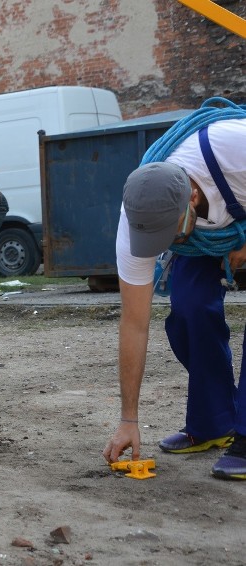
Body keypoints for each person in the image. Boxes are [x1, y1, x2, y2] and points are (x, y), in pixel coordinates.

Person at [102, 117, 246, 480]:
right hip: (206, 230)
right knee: (189, 309)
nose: (160, 246)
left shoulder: (236, 148)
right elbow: (134, 323)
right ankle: (214, 422)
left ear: (192, 198)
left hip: (236, 203)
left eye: (168, 233)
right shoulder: (138, 214)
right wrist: (128, 419)